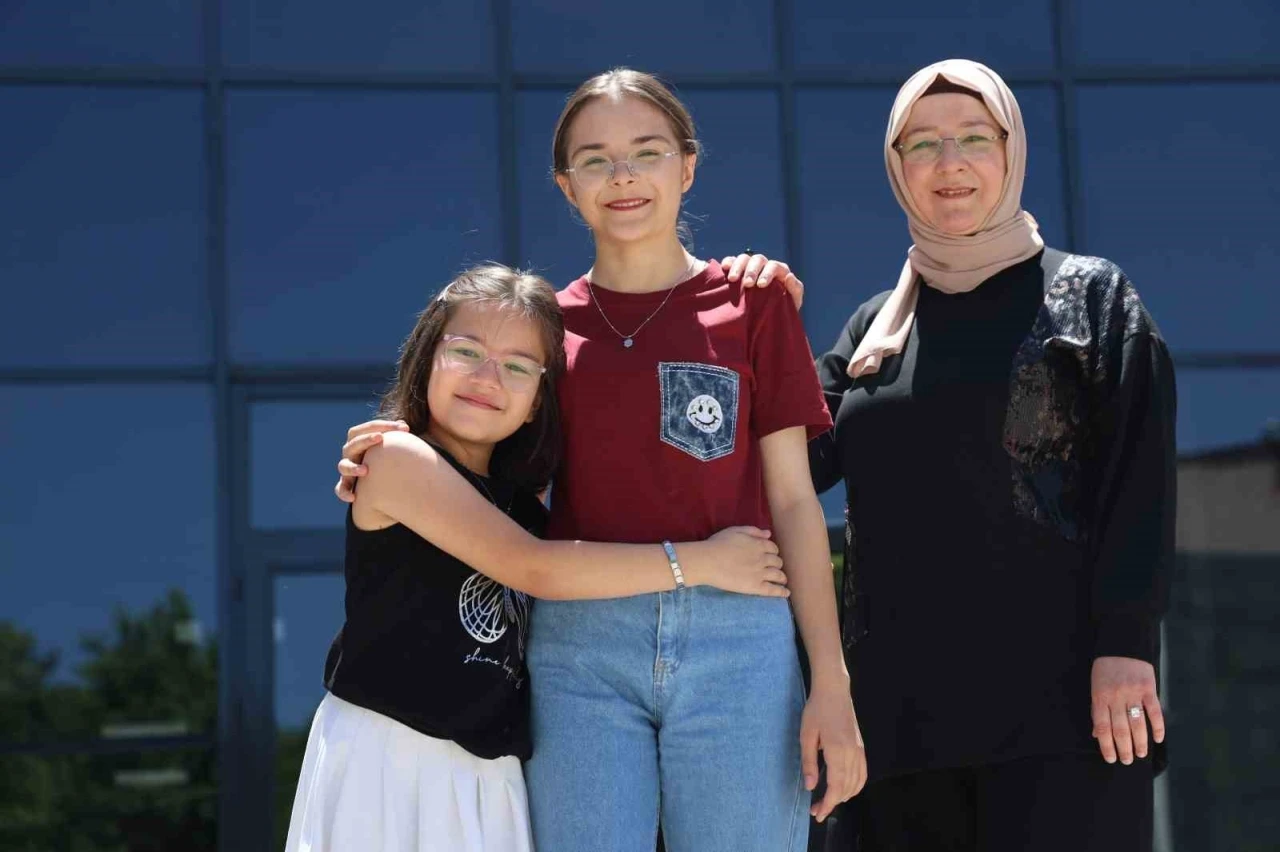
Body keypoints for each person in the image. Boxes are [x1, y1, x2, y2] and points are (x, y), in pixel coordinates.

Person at [336, 69, 866, 852]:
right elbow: (479, 458)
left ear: (687, 167)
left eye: (647, 152)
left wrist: (830, 678)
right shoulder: (546, 332)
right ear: (566, 186)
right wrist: (396, 442)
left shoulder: (755, 306)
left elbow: (793, 501)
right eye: (595, 159)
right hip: (580, 650)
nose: (623, 176)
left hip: (740, 640)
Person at [284, 264, 797, 852]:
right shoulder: (396, 458)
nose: (487, 378)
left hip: (489, 774)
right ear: (426, 359)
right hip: (390, 760)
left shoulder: (525, 509)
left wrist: (762, 295)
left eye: (518, 366)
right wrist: (702, 563)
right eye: (466, 351)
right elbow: (534, 568)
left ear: (535, 404)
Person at [808, 59, 1175, 851]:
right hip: (896, 735)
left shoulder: (1092, 298)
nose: (950, 163)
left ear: (1011, 153)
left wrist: (1125, 642)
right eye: (923, 144)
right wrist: (748, 313)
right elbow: (792, 463)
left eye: (975, 137)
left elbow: (1138, 483)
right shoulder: (876, 327)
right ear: (896, 167)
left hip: (1063, 722)